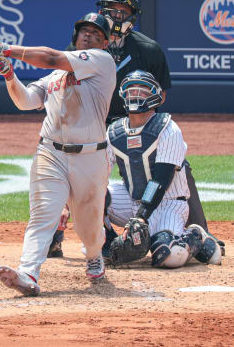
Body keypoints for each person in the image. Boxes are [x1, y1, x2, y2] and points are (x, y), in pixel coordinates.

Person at [47, 0, 222, 259]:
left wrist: (138, 121)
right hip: (90, 123)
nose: (115, 16)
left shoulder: (147, 49)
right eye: (110, 10)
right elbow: (61, 87)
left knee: (179, 169)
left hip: (132, 122)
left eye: (122, 12)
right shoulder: (82, 46)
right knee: (68, 170)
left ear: (133, 17)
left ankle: (200, 232)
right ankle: (58, 236)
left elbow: (160, 94)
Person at [0, 13, 116, 296]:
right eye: (85, 31)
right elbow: (26, 101)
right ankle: (28, 272)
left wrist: (8, 50)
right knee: (43, 214)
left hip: (91, 157)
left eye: (96, 33)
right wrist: (9, 74)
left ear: (105, 43)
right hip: (51, 152)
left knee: (88, 226)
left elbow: (51, 57)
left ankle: (94, 255)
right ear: (76, 35)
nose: (89, 36)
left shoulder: (102, 62)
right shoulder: (54, 78)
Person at [69, 70, 222, 268]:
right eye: (131, 91)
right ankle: (105, 244)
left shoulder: (168, 128)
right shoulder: (114, 131)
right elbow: (98, 175)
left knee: (170, 256)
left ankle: (195, 238)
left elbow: (161, 180)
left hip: (168, 204)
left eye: (142, 91)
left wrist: (140, 218)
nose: (135, 95)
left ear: (156, 96)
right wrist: (72, 202)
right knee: (90, 193)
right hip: (131, 200)